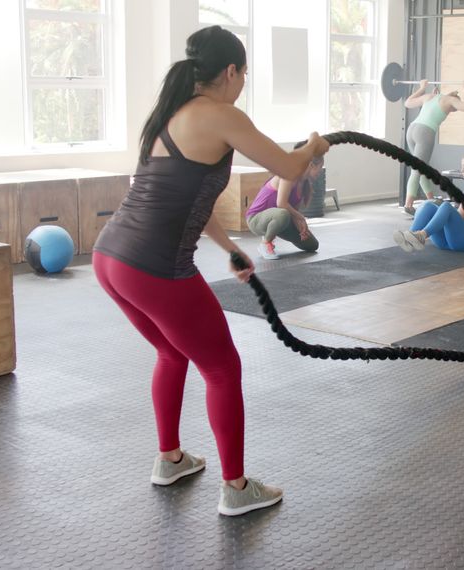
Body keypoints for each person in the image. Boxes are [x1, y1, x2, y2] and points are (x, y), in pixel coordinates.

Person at [92, 26, 329, 517]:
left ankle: (170, 459)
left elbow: (190, 200)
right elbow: (286, 166)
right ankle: (236, 488)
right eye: (243, 74)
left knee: (170, 351)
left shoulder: (170, 114)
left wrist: (229, 249)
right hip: (154, 267)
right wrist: (313, 145)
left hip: (110, 259)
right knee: (222, 367)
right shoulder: (222, 115)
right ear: (230, 71)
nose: (243, 83)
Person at [402, 80, 464, 216]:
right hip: (425, 132)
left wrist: (422, 88)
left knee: (421, 167)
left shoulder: (431, 96)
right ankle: (408, 205)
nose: (453, 110)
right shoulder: (451, 101)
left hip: (412, 130)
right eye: (455, 108)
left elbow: (407, 103)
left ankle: (430, 199)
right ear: (454, 101)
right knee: (417, 170)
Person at [394, 152, 464, 253]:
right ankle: (411, 238)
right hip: (446, 239)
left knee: (446, 206)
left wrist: (444, 211)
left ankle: (421, 235)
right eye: (462, 167)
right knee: (429, 205)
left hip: (462, 241)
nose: (462, 170)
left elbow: (461, 214)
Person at [245, 141, 323, 260]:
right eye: (320, 167)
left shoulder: (305, 185)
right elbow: (281, 203)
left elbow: (293, 212)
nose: (320, 171)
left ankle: (272, 232)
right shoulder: (289, 174)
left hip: (280, 219)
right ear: (311, 165)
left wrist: (301, 227)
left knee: (312, 245)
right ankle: (265, 243)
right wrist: (301, 217)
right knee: (283, 213)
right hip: (256, 219)